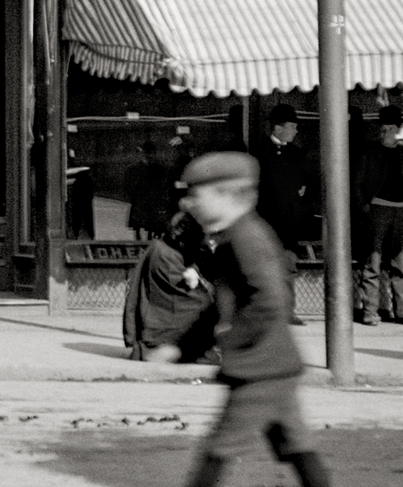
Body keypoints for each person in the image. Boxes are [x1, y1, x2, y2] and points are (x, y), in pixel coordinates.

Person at [177, 151, 331, 487]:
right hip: (273, 363)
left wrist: (228, 339)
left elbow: (270, 301)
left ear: (228, 195)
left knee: (220, 446)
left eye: (196, 195)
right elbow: (219, 307)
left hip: (258, 368)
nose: (190, 204)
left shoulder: (246, 239)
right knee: (297, 445)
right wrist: (183, 349)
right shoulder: (234, 236)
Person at [354, 105, 403, 327]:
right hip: (378, 209)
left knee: (400, 262)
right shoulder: (368, 152)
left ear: (398, 130)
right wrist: (365, 209)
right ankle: (370, 311)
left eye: (389, 128)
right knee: (373, 261)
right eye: (383, 128)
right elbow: (357, 185)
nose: (384, 132)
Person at [123, 211, 217, 364]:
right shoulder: (169, 247)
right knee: (200, 305)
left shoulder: (183, 234)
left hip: (169, 258)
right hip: (167, 265)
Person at [251, 104, 308, 326]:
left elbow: (303, 186)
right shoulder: (259, 152)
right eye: (292, 126)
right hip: (267, 222)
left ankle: (287, 311)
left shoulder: (297, 153)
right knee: (265, 269)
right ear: (277, 128)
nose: (295, 131)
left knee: (289, 268)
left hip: (289, 224)